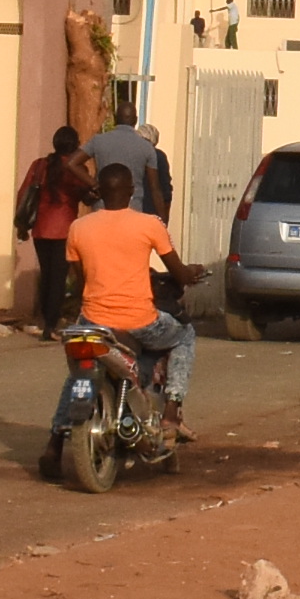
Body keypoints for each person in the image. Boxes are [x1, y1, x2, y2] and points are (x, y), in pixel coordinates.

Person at [59, 161, 204, 446]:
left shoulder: (78, 228)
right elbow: (178, 272)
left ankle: (54, 441)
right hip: (140, 323)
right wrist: (193, 272)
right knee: (185, 336)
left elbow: (80, 281)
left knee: (79, 375)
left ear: (99, 191)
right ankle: (172, 411)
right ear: (132, 191)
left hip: (92, 322)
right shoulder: (149, 224)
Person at [13, 123, 86, 333]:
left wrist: (21, 224)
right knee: (58, 278)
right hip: (64, 228)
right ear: (75, 145)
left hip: (41, 227)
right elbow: (84, 192)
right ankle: (51, 325)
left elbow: (23, 193)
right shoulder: (75, 167)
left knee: (46, 274)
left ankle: (44, 319)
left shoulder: (39, 165)